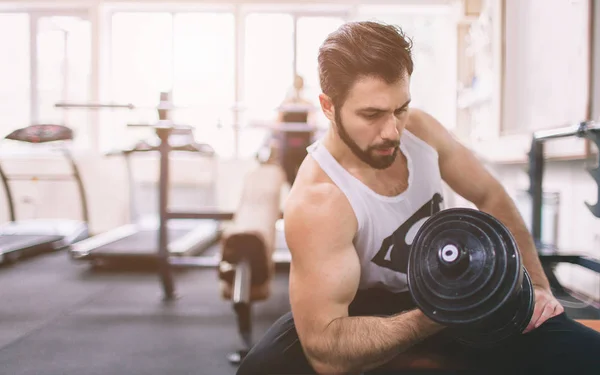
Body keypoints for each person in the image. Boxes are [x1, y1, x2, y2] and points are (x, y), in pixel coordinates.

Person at [238, 21, 600, 375]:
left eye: (400, 108)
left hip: (452, 281)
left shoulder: (421, 131)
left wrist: (536, 284)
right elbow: (328, 350)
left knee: (586, 355)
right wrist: (445, 310)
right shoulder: (320, 199)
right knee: (261, 369)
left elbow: (488, 193)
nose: (392, 131)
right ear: (329, 107)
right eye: (372, 114)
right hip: (363, 310)